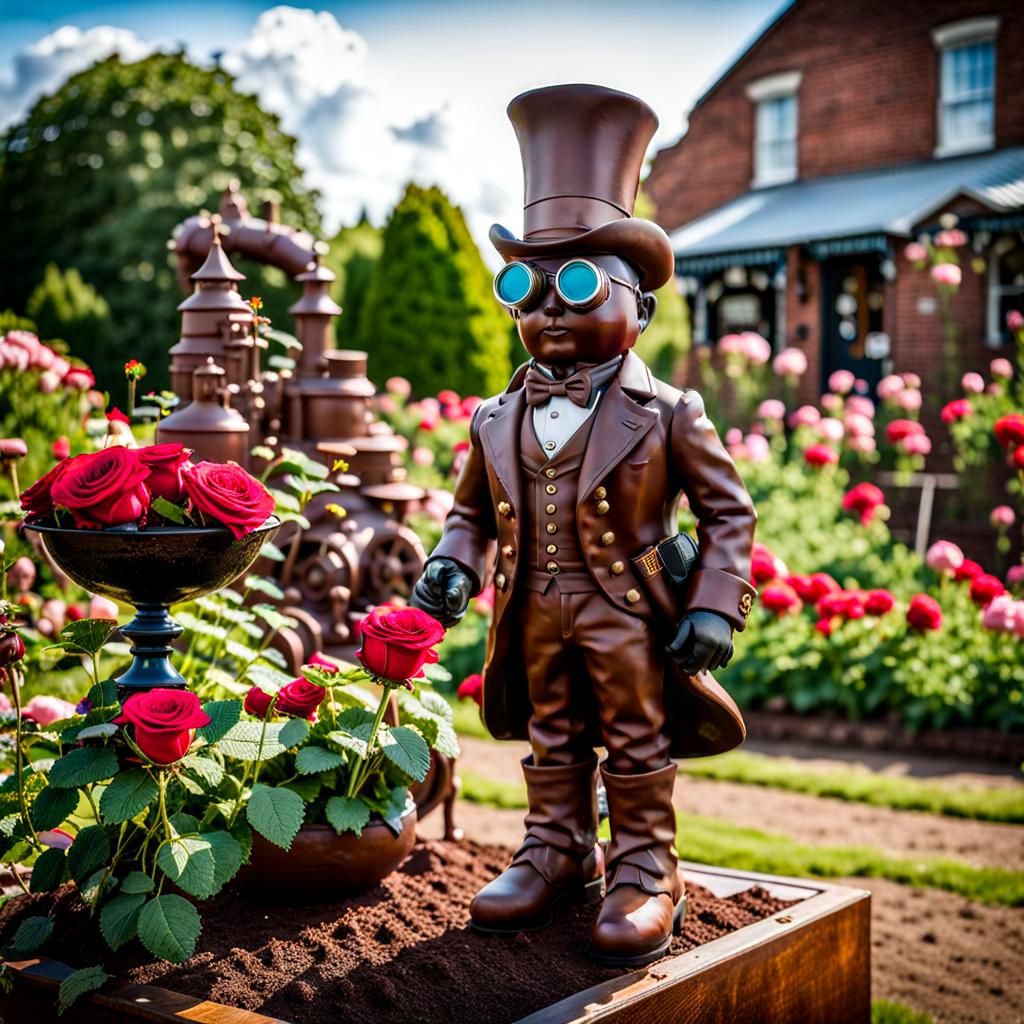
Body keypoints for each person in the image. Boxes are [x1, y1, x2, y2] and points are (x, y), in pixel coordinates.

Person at [412, 84, 757, 967]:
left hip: (628, 612)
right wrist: (454, 560)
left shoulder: (671, 413)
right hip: (531, 609)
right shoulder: (496, 417)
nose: (548, 308)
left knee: (635, 732)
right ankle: (556, 847)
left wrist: (713, 606)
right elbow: (468, 511)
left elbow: (728, 511)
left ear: (637, 309)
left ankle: (645, 866)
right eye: (525, 287)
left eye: (574, 282)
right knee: (553, 728)